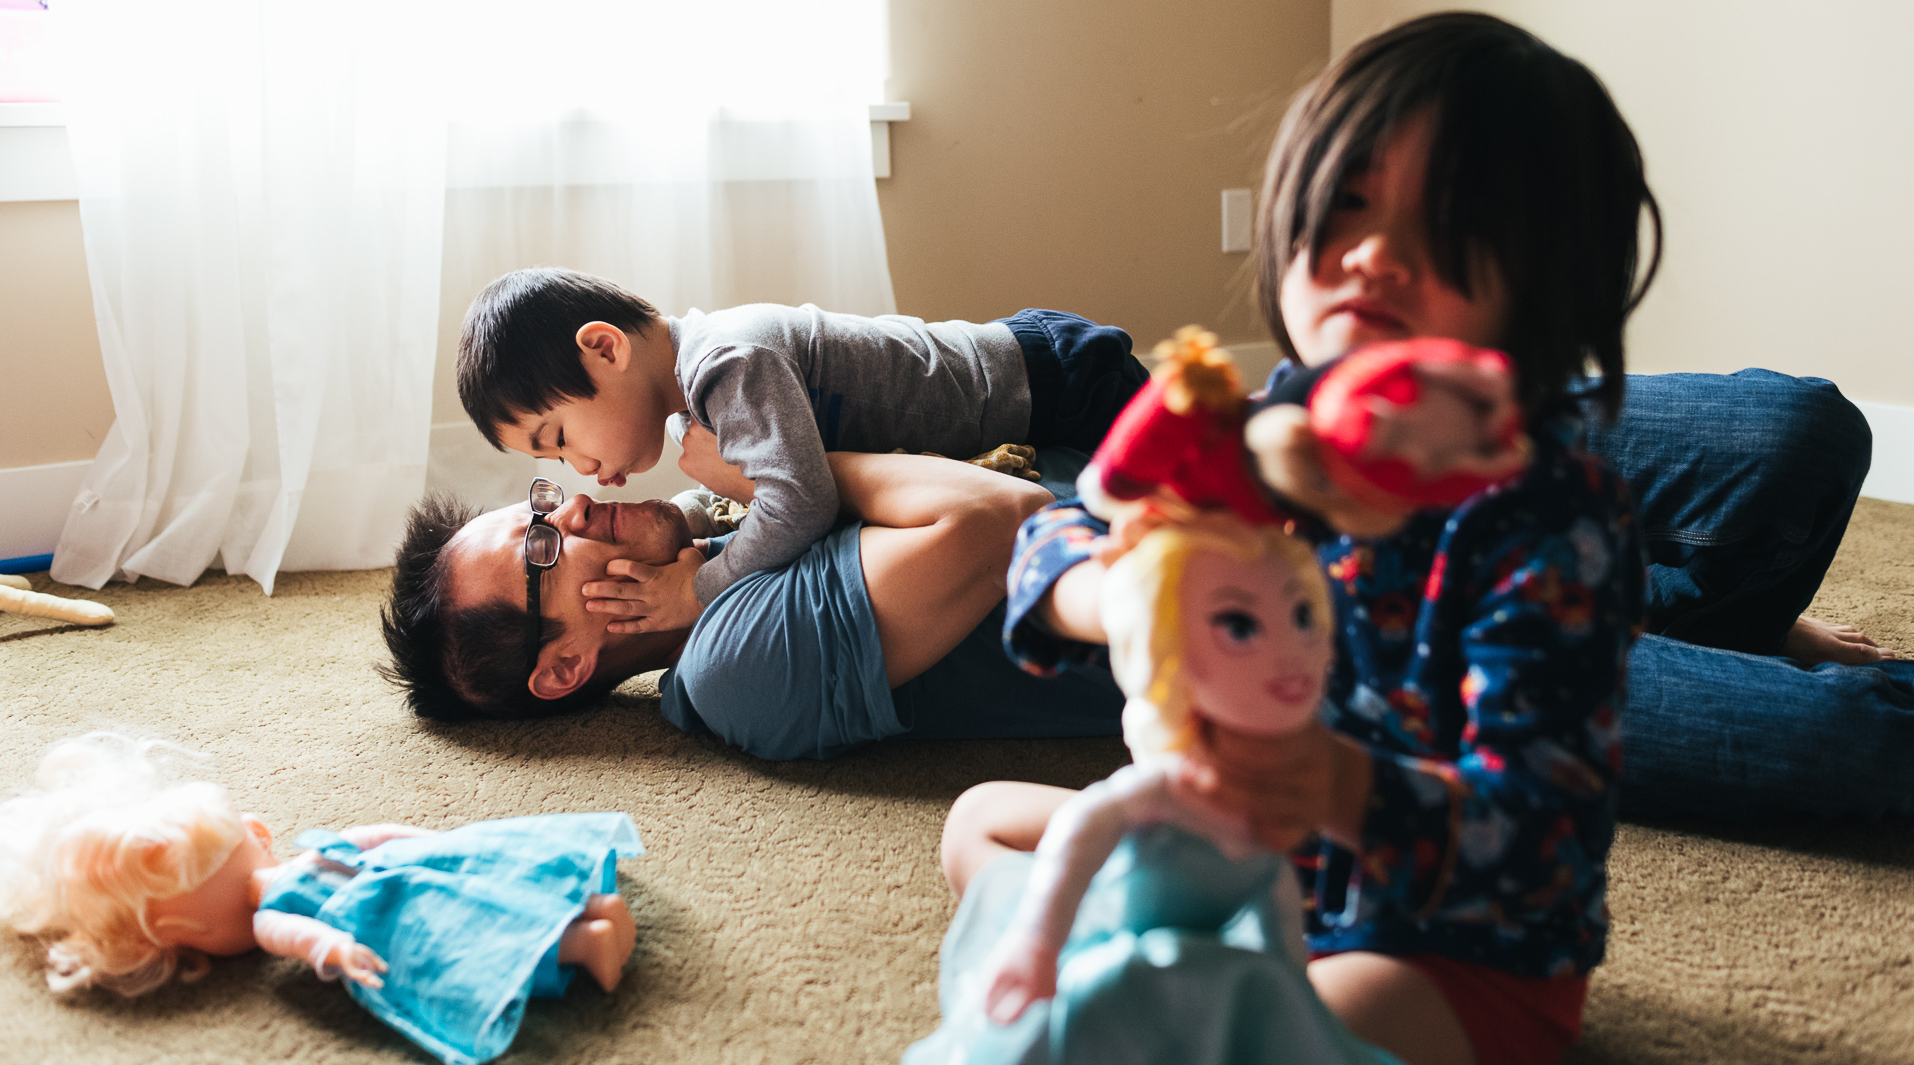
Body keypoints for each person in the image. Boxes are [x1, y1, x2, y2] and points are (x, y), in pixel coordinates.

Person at [954, 11, 1914, 1065]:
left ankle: (1163, 1003)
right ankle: (1147, 990)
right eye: (1347, 204)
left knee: (1297, 1016)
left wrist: (1332, 788)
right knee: (981, 826)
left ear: (1541, 288)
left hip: (1440, 937)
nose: (1370, 254)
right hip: (1246, 861)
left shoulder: (1550, 516)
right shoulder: (1241, 423)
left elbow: (1529, 840)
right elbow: (1058, 538)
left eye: (1445, 229)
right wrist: (1110, 591)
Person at [906, 515, 1399, 1065]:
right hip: (1185, 833)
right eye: (1239, 626)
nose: (1289, 655)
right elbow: (1052, 534)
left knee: (1281, 1023)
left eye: (1305, 619)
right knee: (978, 818)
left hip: (1383, 904)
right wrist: (1125, 598)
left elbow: (1279, 914)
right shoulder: (1239, 475)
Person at [453, 269, 1149, 628]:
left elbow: (801, 499)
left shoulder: (729, 361)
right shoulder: (689, 416)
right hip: (1029, 396)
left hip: (1054, 378)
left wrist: (698, 590)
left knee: (1199, 486)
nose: (577, 468)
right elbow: (747, 485)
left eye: (561, 436)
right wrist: (694, 512)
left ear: (605, 349)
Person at [378, 434, 1127, 760]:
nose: (570, 508)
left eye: (539, 506)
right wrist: (776, 471)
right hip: (1193, 565)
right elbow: (1003, 520)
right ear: (567, 662)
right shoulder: (735, 665)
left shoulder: (702, 545)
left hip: (1139, 453)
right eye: (542, 548)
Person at [0, 733, 642, 1065]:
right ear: (253, 833)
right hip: (401, 873)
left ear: (179, 930)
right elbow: (368, 840)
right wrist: (438, 845)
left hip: (392, 920)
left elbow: (300, 939)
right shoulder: (300, 864)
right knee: (483, 897)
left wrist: (336, 947)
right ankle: (586, 923)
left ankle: (584, 942)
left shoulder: (272, 915)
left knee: (469, 941)